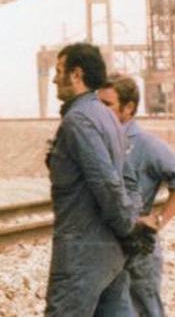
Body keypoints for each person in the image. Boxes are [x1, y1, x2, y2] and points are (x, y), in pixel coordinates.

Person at [46, 42, 140, 317]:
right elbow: (129, 180)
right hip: (112, 255)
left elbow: (106, 183)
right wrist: (130, 226)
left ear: (76, 75)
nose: (54, 79)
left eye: (59, 71)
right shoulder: (107, 116)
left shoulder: (78, 120)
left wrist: (127, 228)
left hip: (81, 252)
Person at [99, 75, 175, 317]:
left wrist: (160, 220)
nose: (99, 112)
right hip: (103, 245)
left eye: (107, 105)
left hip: (137, 250)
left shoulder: (145, 145)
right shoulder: (97, 143)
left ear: (128, 108)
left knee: (145, 310)